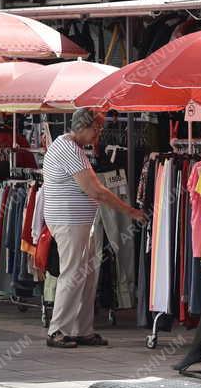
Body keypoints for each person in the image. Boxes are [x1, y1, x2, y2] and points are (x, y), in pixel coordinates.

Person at [43, 108, 145, 348]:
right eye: (96, 129)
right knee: (73, 273)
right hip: (69, 221)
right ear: (83, 127)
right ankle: (58, 330)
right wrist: (130, 212)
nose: (98, 134)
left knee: (86, 275)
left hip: (76, 221)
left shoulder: (70, 146)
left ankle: (81, 329)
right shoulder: (69, 149)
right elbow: (95, 190)